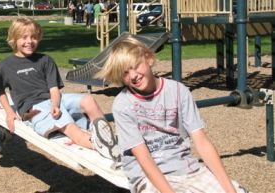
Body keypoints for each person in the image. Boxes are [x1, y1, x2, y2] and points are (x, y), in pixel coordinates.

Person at [96, 37, 250, 193]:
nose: (133, 75)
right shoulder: (123, 104)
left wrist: (230, 190)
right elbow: (144, 158)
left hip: (186, 168)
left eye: (135, 66)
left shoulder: (178, 91)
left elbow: (202, 142)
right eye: (125, 73)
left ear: (149, 59)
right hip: (148, 176)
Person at [0, 17, 119, 161]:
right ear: (14, 39)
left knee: (88, 100)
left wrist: (55, 104)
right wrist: (9, 113)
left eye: (34, 37)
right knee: (71, 128)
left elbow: (54, 89)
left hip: (55, 100)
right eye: (24, 37)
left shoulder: (45, 60)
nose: (29, 41)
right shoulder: (6, 65)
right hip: (33, 109)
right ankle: (101, 146)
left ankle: (105, 135)